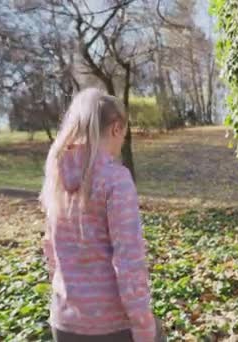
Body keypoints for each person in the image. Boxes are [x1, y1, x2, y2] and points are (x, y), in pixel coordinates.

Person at [39, 88, 162, 342]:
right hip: (112, 326)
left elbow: (50, 247)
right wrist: (143, 325)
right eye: (123, 136)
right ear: (116, 128)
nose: (121, 145)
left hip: (65, 321)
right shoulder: (115, 179)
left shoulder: (57, 176)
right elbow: (128, 260)